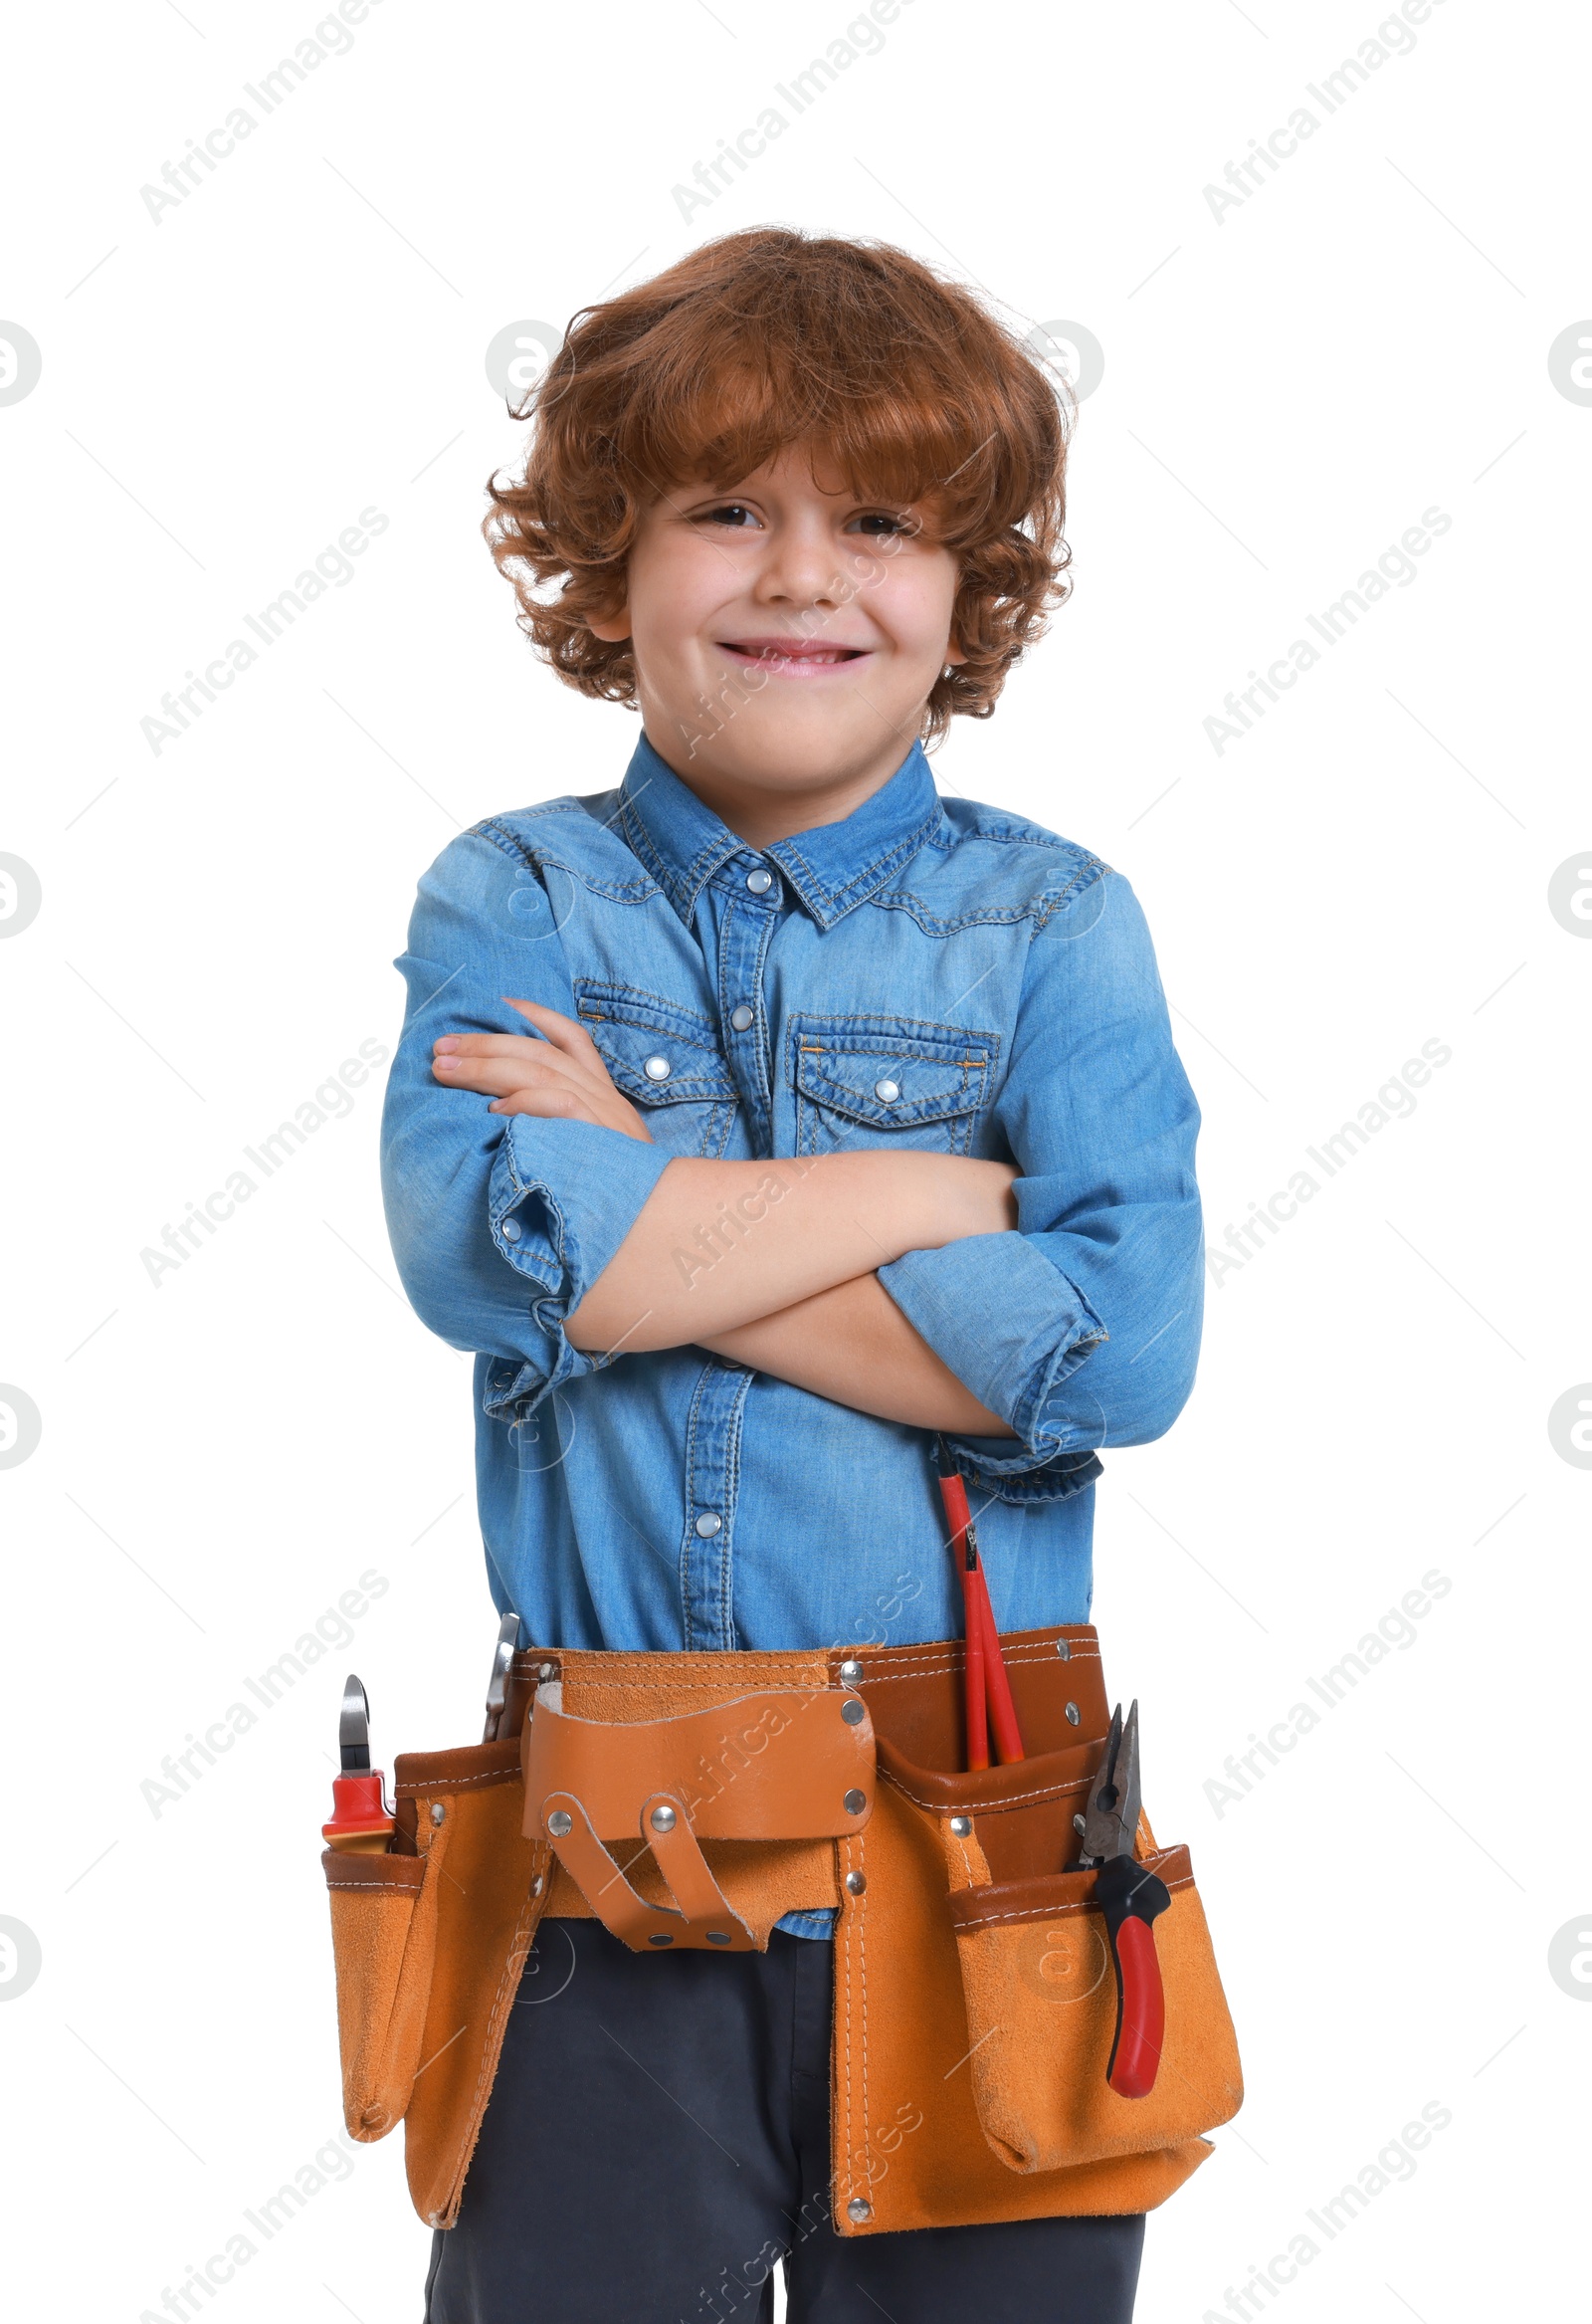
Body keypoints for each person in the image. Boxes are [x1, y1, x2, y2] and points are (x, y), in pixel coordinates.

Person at [380, 227, 1203, 2324]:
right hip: (597, 1863)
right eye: (721, 507)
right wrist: (941, 1194)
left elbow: (1115, 1354)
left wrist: (645, 1209)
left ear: (966, 586)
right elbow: (491, 1257)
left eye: (879, 520)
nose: (797, 574)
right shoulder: (515, 895)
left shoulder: (1052, 924)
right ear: (607, 557)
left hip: (989, 1857)